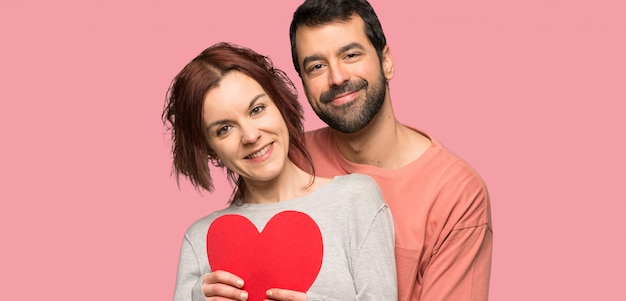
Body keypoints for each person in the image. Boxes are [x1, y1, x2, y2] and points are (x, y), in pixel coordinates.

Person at [200, 0, 493, 300]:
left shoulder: (456, 193)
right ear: (302, 83)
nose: (337, 77)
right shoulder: (283, 157)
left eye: (350, 55)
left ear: (386, 60)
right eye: (316, 66)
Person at [163, 42, 397, 301]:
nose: (251, 136)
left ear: (279, 104)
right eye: (224, 129)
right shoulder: (199, 240)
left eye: (257, 109)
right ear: (209, 149)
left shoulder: (355, 199)